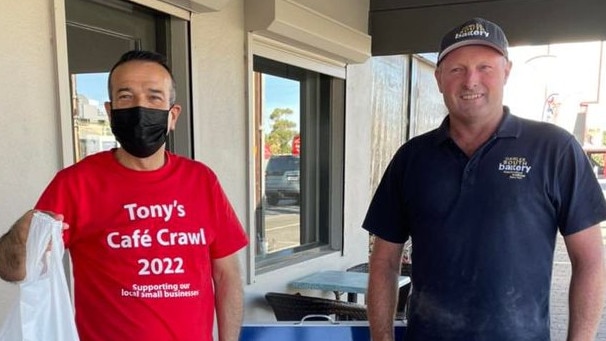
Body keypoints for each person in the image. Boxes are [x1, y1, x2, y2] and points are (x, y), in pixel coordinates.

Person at [363, 17, 606, 341]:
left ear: (506, 71)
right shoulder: (411, 158)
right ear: (438, 78)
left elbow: (590, 260)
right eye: (456, 69)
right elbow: (384, 262)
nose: (470, 81)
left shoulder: (554, 149)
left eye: (484, 68)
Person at [0, 50, 249, 341]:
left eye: (154, 97)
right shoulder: (76, 184)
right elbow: (11, 270)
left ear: (173, 115)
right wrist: (21, 237)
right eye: (126, 97)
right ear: (110, 112)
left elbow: (226, 275)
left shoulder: (202, 180)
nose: (140, 108)